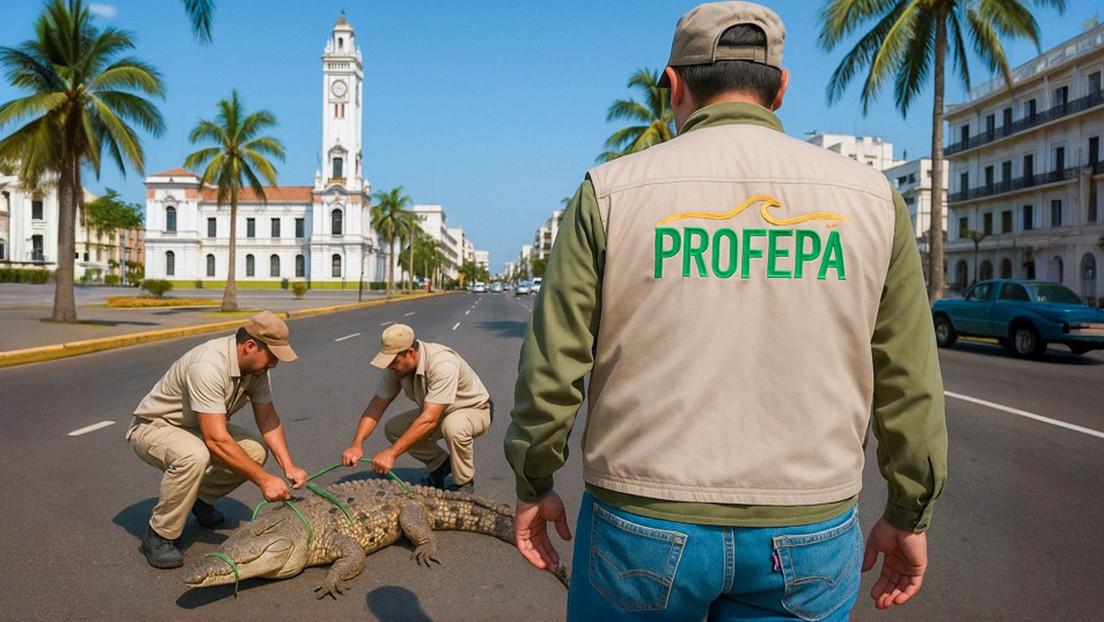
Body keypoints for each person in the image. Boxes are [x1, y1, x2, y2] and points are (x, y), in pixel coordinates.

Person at [505, 2, 948, 620]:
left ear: (673, 85)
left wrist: (533, 481)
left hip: (643, 517)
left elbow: (552, 367)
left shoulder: (609, 191)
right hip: (810, 528)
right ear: (781, 89)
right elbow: (908, 377)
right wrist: (909, 511)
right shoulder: (873, 200)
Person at [127, 310, 308, 569]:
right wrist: (264, 480)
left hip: (198, 427)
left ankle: (200, 500)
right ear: (249, 346)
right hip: (155, 427)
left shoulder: (255, 370)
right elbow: (215, 440)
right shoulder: (209, 365)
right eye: (272, 357)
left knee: (255, 449)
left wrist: (288, 466)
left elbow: (267, 418)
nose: (274, 365)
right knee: (194, 455)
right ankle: (159, 534)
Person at [342, 323, 492, 494]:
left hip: (474, 409)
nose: (390, 367)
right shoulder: (396, 368)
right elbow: (377, 405)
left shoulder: (442, 363)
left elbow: (430, 419)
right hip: (439, 410)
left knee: (453, 426)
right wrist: (356, 443)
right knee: (394, 429)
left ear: (411, 353)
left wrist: (391, 453)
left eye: (394, 362)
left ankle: (463, 483)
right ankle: (441, 465)